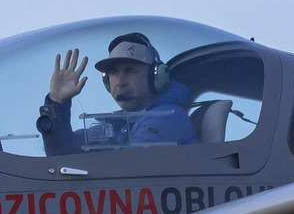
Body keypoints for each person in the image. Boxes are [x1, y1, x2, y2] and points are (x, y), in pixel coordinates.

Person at [38, 33, 197, 155]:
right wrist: (57, 103)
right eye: (113, 73)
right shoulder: (118, 126)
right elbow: (64, 155)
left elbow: (127, 166)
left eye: (130, 70)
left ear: (156, 76)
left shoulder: (169, 117)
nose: (120, 81)